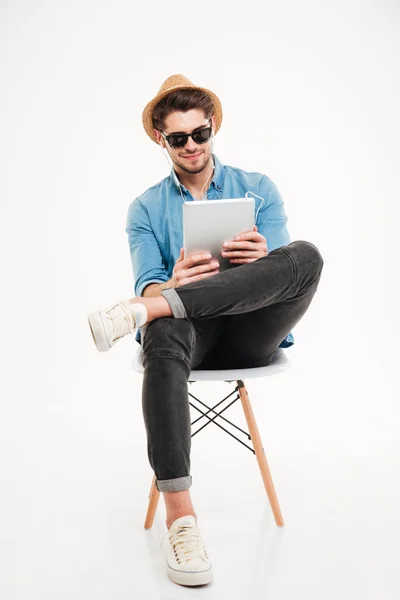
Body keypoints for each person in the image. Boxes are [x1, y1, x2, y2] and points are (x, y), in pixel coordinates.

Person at [87, 74, 324, 587]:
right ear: (160, 140)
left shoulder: (258, 189)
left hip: (251, 331)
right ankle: (182, 521)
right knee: (164, 329)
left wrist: (259, 258)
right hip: (189, 337)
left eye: (200, 134)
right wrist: (169, 285)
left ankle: (143, 313)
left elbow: (285, 273)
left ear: (212, 127)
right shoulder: (146, 208)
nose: (192, 146)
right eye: (178, 138)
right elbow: (148, 283)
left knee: (305, 255)